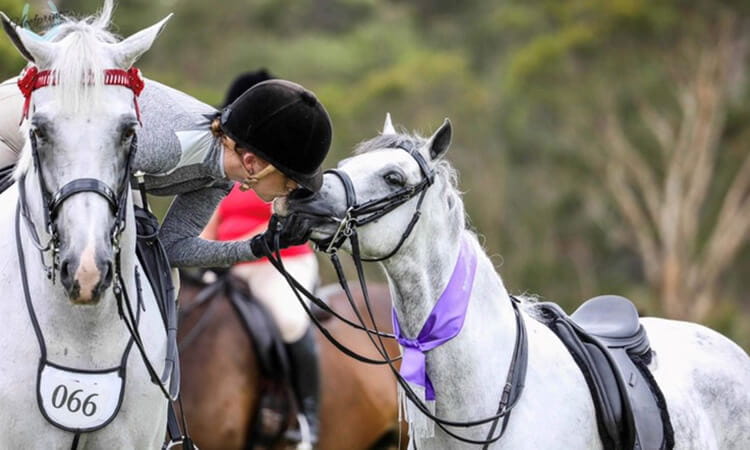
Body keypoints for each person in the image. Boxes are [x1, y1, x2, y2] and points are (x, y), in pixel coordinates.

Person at [200, 69, 322, 444]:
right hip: (226, 264)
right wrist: (200, 256)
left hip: (279, 261)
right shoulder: (227, 169)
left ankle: (305, 416)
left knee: (286, 321)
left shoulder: (281, 166)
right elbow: (209, 222)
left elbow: (280, 220)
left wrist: (237, 249)